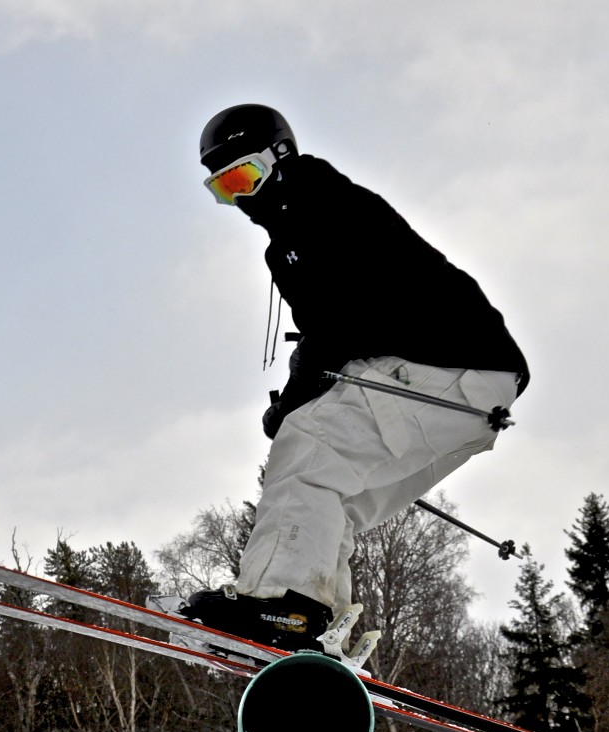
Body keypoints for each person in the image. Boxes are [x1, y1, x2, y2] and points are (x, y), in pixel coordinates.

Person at [179, 104, 528, 653]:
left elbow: (332, 329)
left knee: (311, 446)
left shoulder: (325, 206)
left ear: (279, 159)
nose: (241, 199)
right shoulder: (293, 237)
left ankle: (281, 601)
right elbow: (330, 339)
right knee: (336, 497)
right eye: (224, 189)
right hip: (473, 393)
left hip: (450, 362)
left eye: (244, 177)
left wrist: (293, 405)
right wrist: (299, 395)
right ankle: (317, 623)